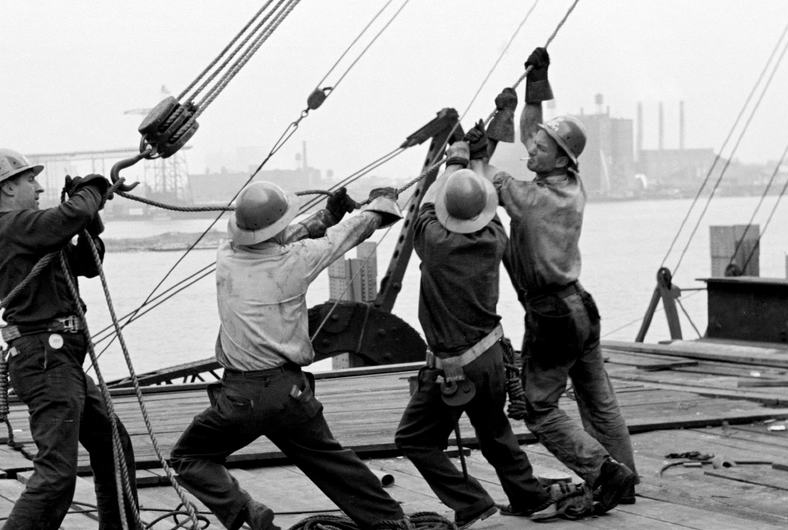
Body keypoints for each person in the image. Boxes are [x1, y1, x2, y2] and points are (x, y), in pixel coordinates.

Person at [169, 181, 413, 530]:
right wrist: (380, 202)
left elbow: (281, 236)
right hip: (289, 394)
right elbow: (350, 232)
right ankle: (390, 521)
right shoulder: (298, 260)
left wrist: (326, 215)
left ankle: (246, 511)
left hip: (239, 398)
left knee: (190, 457)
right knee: (331, 460)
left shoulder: (225, 256)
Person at [394, 127, 593, 528]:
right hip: (491, 358)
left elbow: (428, 206)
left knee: (414, 439)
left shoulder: (433, 241)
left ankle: (474, 506)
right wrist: (469, 162)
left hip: (453, 367)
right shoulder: (494, 237)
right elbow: (474, 202)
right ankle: (531, 498)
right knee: (494, 431)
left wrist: (455, 159)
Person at [485, 48, 639, 515]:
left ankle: (603, 472)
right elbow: (535, 133)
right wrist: (535, 88)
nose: (530, 147)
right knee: (599, 401)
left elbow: (477, 175)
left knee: (538, 408)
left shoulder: (530, 199)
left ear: (557, 159)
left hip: (552, 314)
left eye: (540, 148)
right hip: (581, 308)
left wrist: (488, 133)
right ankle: (625, 482)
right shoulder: (570, 184)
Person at [0, 148, 139, 530]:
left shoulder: (32, 231)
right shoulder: (12, 226)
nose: (38, 187)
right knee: (57, 474)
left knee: (113, 443)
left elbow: (85, 263)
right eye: (30, 180)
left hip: (59, 360)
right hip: (45, 359)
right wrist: (93, 188)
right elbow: (70, 215)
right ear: (9, 189)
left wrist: (88, 223)